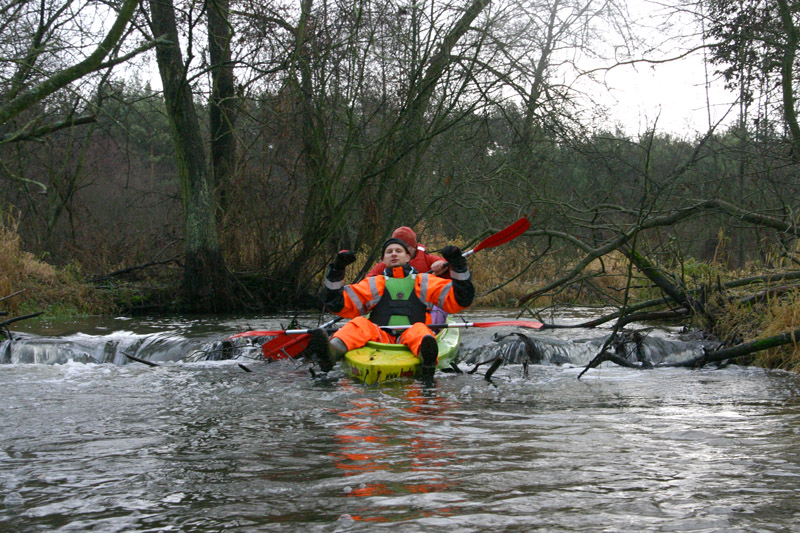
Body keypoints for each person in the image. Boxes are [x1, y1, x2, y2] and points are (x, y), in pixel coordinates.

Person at [309, 237, 474, 379]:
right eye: (389, 252)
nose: (393, 254)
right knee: (358, 324)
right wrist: (337, 269)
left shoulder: (425, 281)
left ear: (408, 256)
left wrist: (458, 266)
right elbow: (337, 304)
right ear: (383, 259)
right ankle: (332, 352)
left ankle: (427, 359)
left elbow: (461, 299)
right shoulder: (374, 283)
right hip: (380, 336)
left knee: (420, 331)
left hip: (411, 334)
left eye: (398, 251)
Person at [366, 226, 450, 278]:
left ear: (414, 247)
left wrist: (443, 266)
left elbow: (449, 269)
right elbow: (367, 283)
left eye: (405, 247)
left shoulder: (427, 259)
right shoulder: (388, 263)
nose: (395, 254)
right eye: (391, 251)